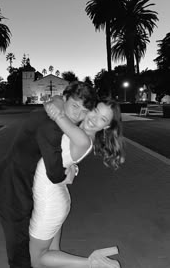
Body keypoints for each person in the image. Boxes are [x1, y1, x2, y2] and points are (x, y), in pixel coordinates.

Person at [0, 81, 96, 268]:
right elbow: (55, 174)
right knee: (20, 250)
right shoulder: (52, 126)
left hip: (26, 187)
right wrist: (69, 174)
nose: (78, 114)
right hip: (14, 190)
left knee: (36, 249)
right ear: (65, 100)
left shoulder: (58, 118)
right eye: (74, 106)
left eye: (84, 111)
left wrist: (72, 167)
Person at [29, 97, 125, 268]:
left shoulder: (82, 137)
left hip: (49, 200)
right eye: (95, 111)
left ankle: (90, 262)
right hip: (56, 195)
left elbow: (55, 111)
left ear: (107, 126)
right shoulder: (79, 133)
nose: (94, 119)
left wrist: (54, 103)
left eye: (102, 119)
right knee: (52, 251)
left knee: (37, 259)